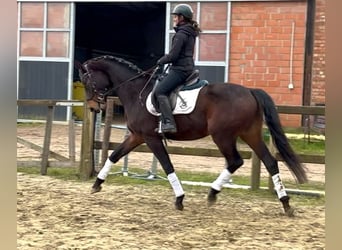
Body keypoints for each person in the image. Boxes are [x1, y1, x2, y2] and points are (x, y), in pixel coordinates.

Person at [154, 4, 201, 133]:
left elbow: (173, 55)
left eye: (175, 16)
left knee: (160, 91)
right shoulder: (189, 32)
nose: (174, 19)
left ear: (182, 17)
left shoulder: (181, 34)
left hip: (180, 70)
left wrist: (160, 61)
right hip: (186, 67)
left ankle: (169, 123)